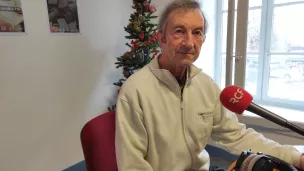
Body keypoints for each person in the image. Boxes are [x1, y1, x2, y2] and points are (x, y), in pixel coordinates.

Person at [115, 0, 304, 170]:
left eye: (197, 32)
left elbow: (237, 135)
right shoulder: (135, 91)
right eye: (179, 31)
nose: (189, 42)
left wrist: (297, 158)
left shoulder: (206, 85)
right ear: (161, 38)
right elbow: (132, 165)